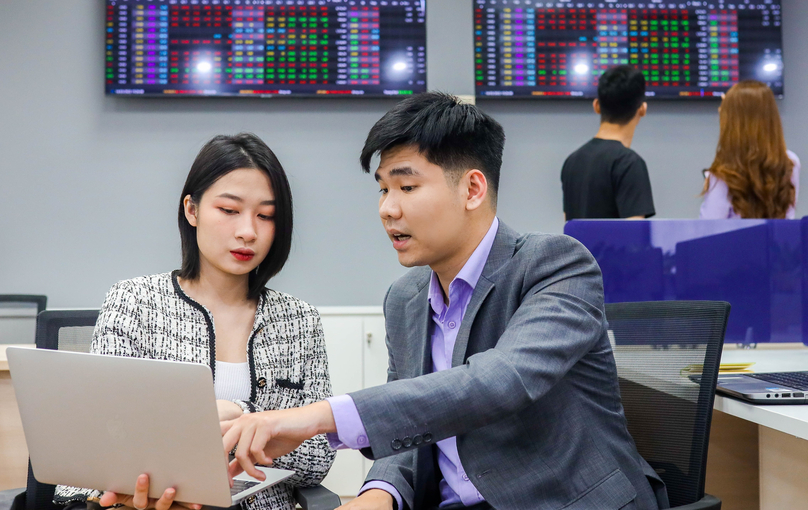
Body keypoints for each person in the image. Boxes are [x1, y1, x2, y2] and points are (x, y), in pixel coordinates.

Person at [220, 94, 667, 510]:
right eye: (382, 189)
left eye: (407, 187)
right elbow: (409, 428)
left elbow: (499, 382)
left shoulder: (554, 265)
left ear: (472, 189)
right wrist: (377, 496)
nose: (387, 209)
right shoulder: (405, 299)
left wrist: (317, 417)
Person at [55, 133, 335, 510]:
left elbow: (318, 457)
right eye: (230, 210)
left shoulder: (299, 321)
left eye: (266, 215)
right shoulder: (135, 302)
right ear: (192, 210)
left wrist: (241, 417)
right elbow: (99, 439)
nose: (248, 231)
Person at [561, 65, 656, 221]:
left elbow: (569, 229)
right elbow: (634, 236)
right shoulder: (629, 164)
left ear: (596, 106)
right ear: (642, 109)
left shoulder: (571, 162)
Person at [700, 80, 800, 219]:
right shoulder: (790, 161)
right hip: (777, 241)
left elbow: (708, 229)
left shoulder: (725, 170)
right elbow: (788, 219)